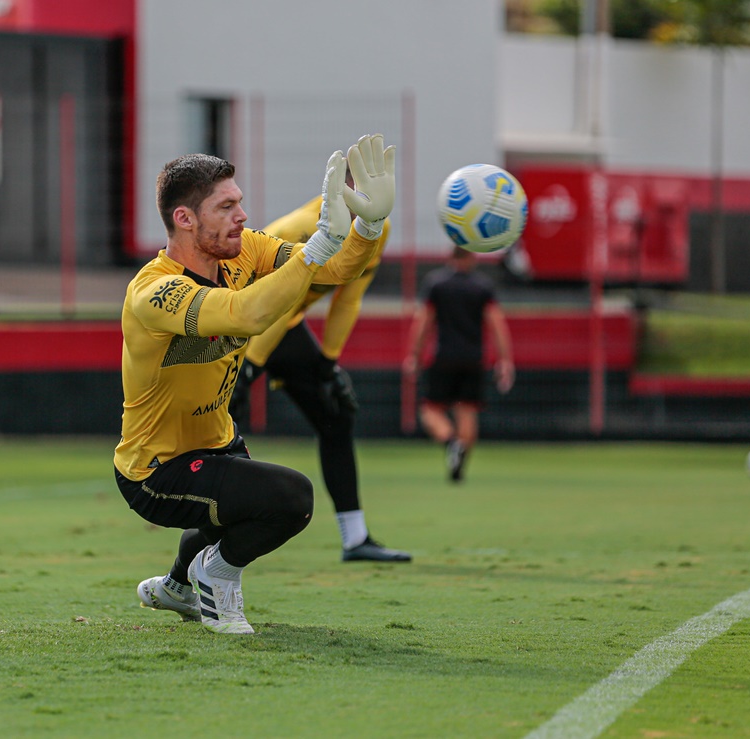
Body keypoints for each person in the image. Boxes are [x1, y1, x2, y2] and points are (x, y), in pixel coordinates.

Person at [117, 134, 396, 634]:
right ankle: (216, 575)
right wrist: (312, 255)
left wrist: (367, 227)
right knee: (291, 499)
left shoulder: (245, 252)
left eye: (240, 202)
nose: (242, 216)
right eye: (226, 207)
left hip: (219, 444)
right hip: (155, 470)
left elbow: (334, 270)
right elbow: (246, 315)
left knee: (233, 510)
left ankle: (178, 586)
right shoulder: (154, 291)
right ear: (185, 219)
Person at [227, 174, 410, 563]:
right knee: (223, 425)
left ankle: (355, 538)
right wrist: (248, 368)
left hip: (286, 325)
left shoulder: (378, 229)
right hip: (240, 322)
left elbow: (349, 298)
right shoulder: (298, 230)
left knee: (336, 414)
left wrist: (329, 362)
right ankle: (208, 537)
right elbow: (267, 305)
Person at [405, 246, 514, 482]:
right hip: (474, 359)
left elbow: (423, 323)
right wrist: (505, 360)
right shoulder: (482, 286)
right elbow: (497, 325)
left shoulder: (437, 284)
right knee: (467, 411)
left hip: (444, 357)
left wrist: (414, 356)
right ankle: (459, 463)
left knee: (430, 411)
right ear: (472, 257)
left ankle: (450, 443)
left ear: (450, 256)